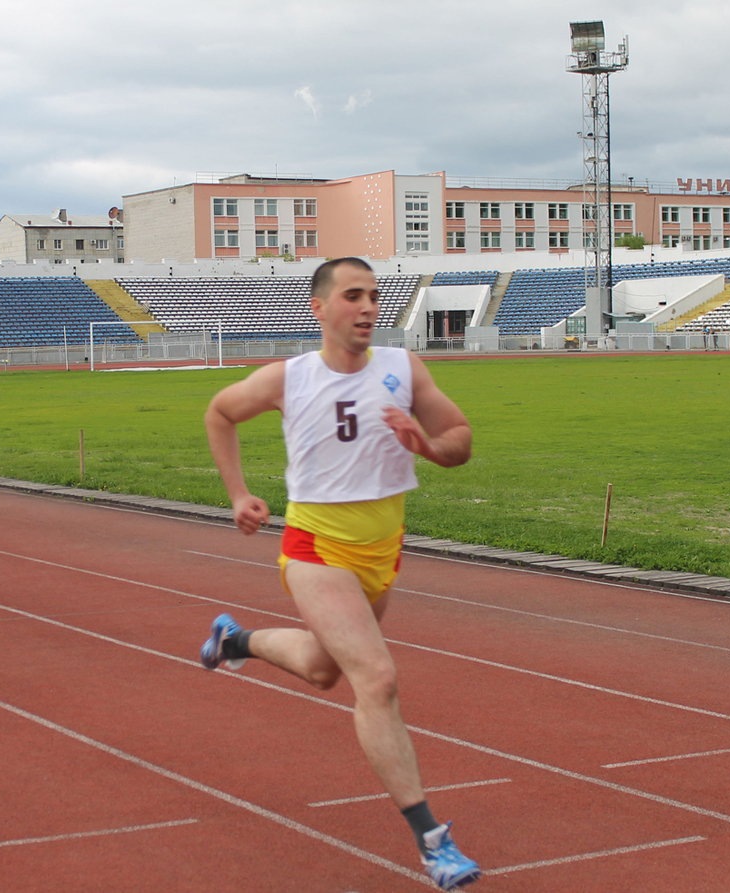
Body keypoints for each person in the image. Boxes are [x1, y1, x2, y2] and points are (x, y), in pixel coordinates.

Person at [200, 257, 480, 889]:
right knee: (376, 679)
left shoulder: (402, 370)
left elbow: (460, 437)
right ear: (319, 308)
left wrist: (427, 446)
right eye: (352, 296)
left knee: (327, 671)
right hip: (315, 547)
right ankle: (433, 840)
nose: (367, 307)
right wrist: (238, 494)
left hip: (382, 550)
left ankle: (234, 640)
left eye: (374, 296)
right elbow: (220, 413)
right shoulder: (288, 378)